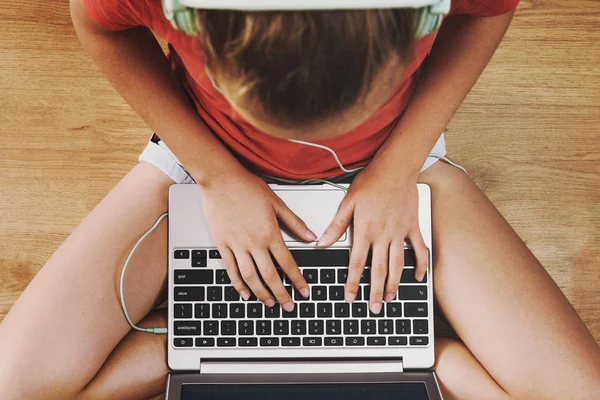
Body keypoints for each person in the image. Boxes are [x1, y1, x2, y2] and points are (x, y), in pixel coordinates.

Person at [1, 0, 599, 398]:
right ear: (189, 19)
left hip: (394, 162)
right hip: (203, 161)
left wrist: (397, 167)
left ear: (421, 17)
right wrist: (216, 176)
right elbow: (96, 23)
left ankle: (423, 348)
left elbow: (490, 12)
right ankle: (195, 343)